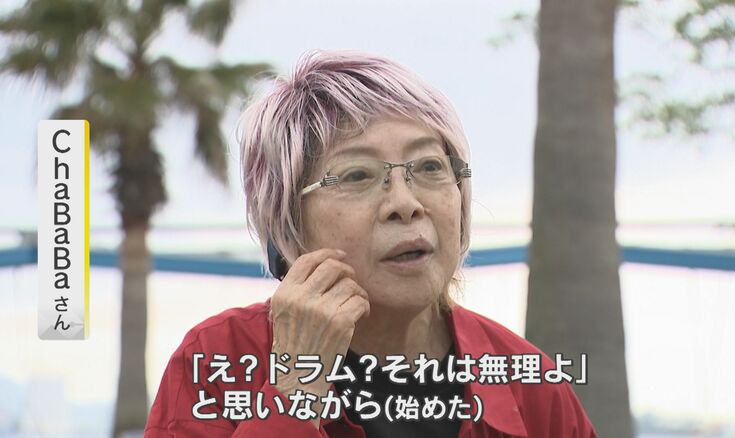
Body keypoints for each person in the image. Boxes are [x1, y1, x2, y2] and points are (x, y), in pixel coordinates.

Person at [145, 50, 596, 437]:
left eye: (430, 167)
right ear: (289, 221)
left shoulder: (529, 383)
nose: (405, 204)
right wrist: (296, 389)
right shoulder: (219, 359)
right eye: (358, 175)